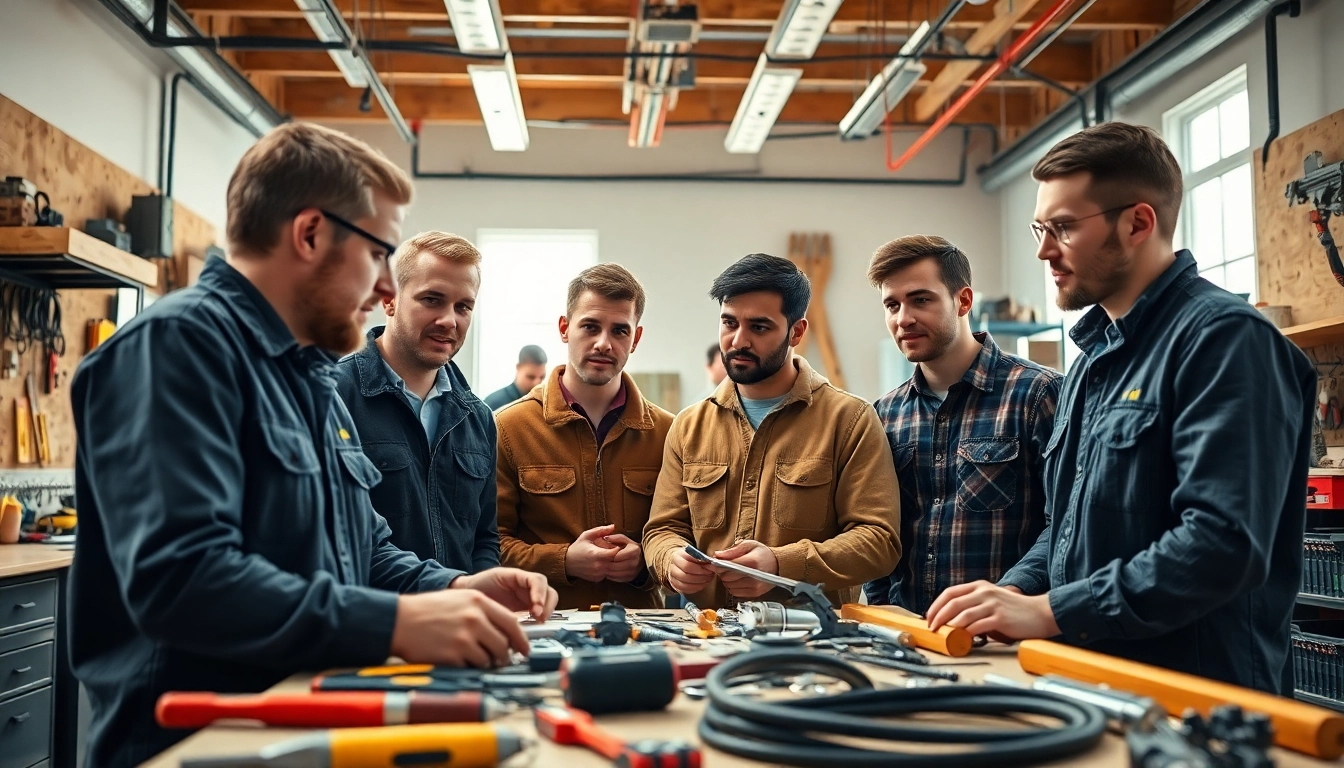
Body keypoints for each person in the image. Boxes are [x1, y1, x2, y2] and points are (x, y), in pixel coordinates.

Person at [67, 122, 557, 768]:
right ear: (309, 234)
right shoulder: (179, 349)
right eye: (380, 253)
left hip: (299, 722)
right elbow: (183, 579)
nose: (387, 288)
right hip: (198, 743)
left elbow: (362, 551)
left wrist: (459, 585)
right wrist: (395, 626)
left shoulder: (310, 373)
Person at [926, 122, 1314, 695]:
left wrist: (1052, 611)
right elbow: (1068, 526)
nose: (1043, 250)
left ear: (1137, 223)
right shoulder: (1091, 359)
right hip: (1094, 679)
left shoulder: (1226, 341)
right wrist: (1014, 594)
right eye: (1040, 227)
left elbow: (1220, 546)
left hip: (1197, 699)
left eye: (1062, 227)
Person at [643, 254, 901, 608]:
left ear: (796, 331)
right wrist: (670, 560)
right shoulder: (689, 426)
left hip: (811, 642)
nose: (738, 341)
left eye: (759, 327)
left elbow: (878, 542)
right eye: (729, 323)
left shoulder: (851, 420)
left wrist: (781, 565)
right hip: (705, 640)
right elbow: (661, 530)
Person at [863, 235, 1061, 615]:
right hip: (910, 637)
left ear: (963, 300)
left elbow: (1066, 522)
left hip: (1008, 636)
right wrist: (882, 609)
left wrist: (1011, 596)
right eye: (892, 305)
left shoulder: (1039, 394)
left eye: (921, 299)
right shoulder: (884, 415)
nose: (903, 318)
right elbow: (879, 530)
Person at [495, 264, 673, 609]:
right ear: (565, 328)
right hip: (543, 629)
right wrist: (564, 561)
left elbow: (685, 539)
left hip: (640, 632)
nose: (604, 343)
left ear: (635, 339)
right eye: (590, 326)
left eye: (620, 331)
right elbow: (487, 547)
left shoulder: (669, 433)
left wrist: (645, 563)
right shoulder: (508, 428)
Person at [334, 231, 499, 574]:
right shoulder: (333, 396)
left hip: (459, 619)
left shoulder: (477, 418)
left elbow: (483, 539)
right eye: (432, 300)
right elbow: (341, 540)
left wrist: (483, 596)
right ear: (389, 299)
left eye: (463, 306)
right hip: (373, 622)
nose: (449, 320)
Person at [484, 345, 548, 411]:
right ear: (518, 367)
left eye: (542, 377)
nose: (537, 384)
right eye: (531, 377)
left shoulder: (545, 405)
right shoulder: (492, 404)